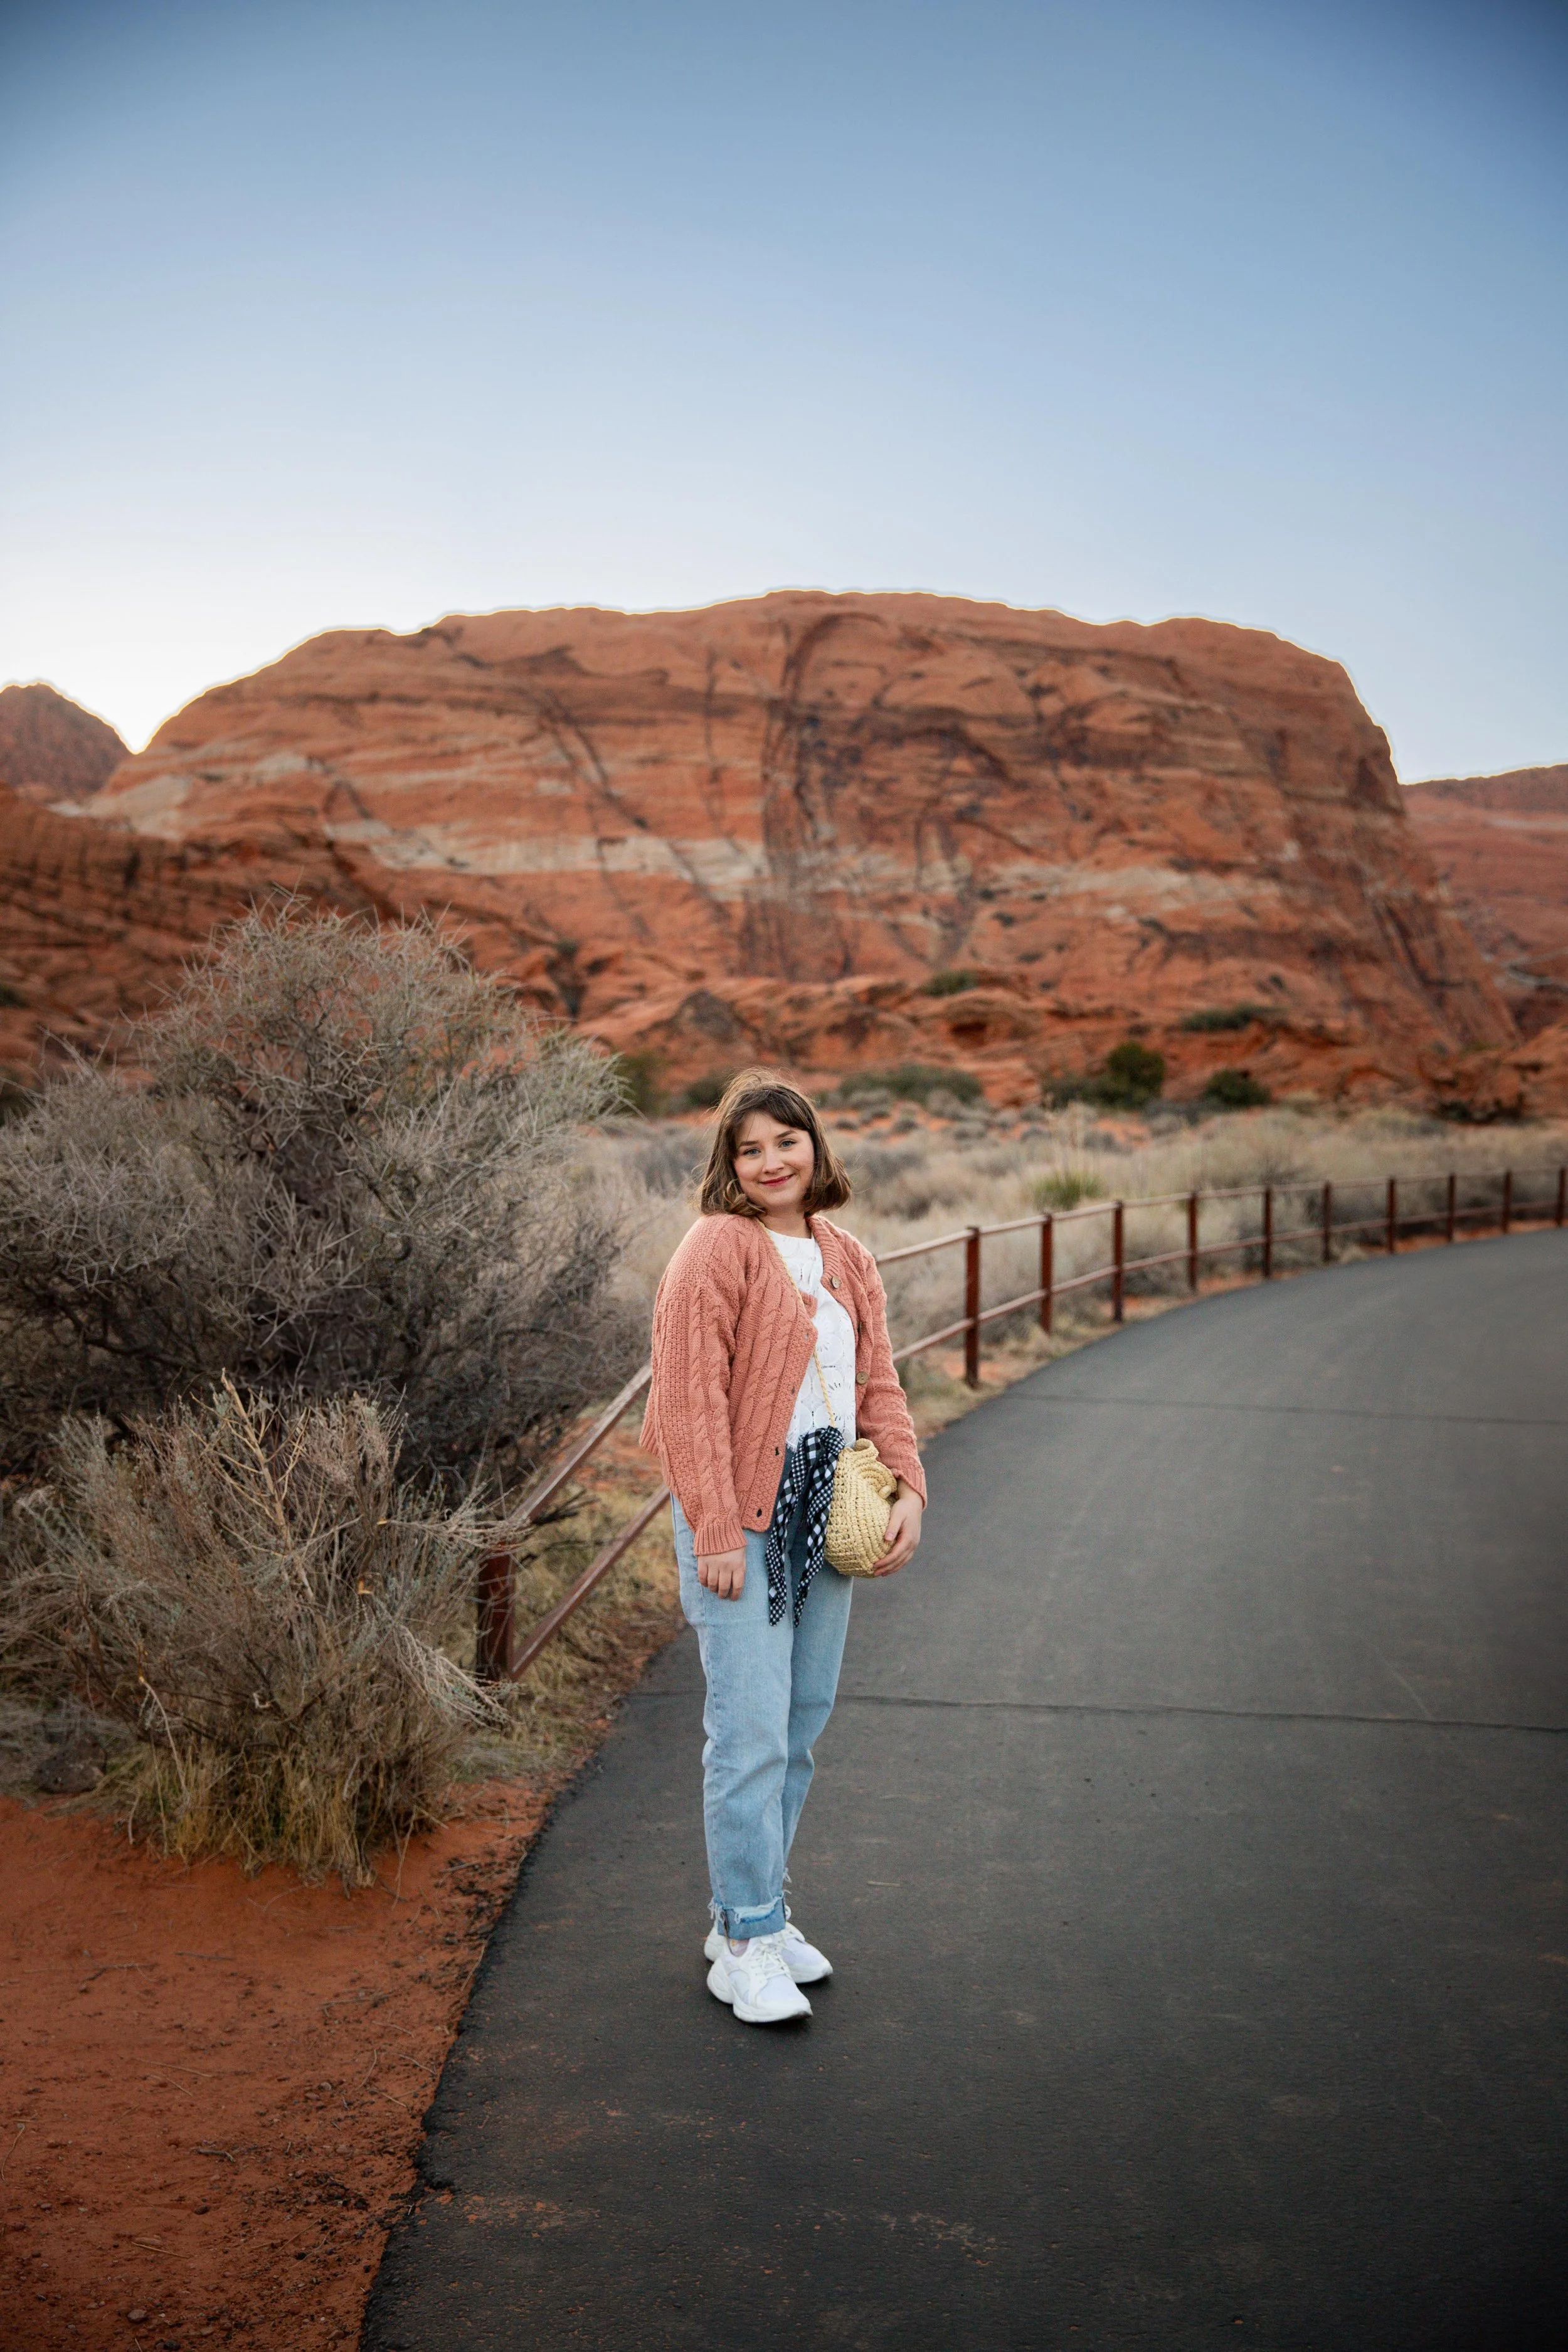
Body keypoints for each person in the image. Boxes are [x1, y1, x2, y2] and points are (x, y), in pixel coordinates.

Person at [641, 1068, 926, 2025]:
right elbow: (687, 1399)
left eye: (786, 1141)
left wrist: (910, 1486)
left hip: (826, 1506)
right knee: (750, 1731)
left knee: (800, 1724)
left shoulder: (846, 1254)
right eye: (749, 1148)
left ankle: (752, 1909)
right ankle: (747, 1943)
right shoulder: (717, 1247)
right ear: (729, 1163)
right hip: (739, 1514)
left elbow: (880, 1384)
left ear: (815, 1147)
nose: (771, 1161)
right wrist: (717, 1531)